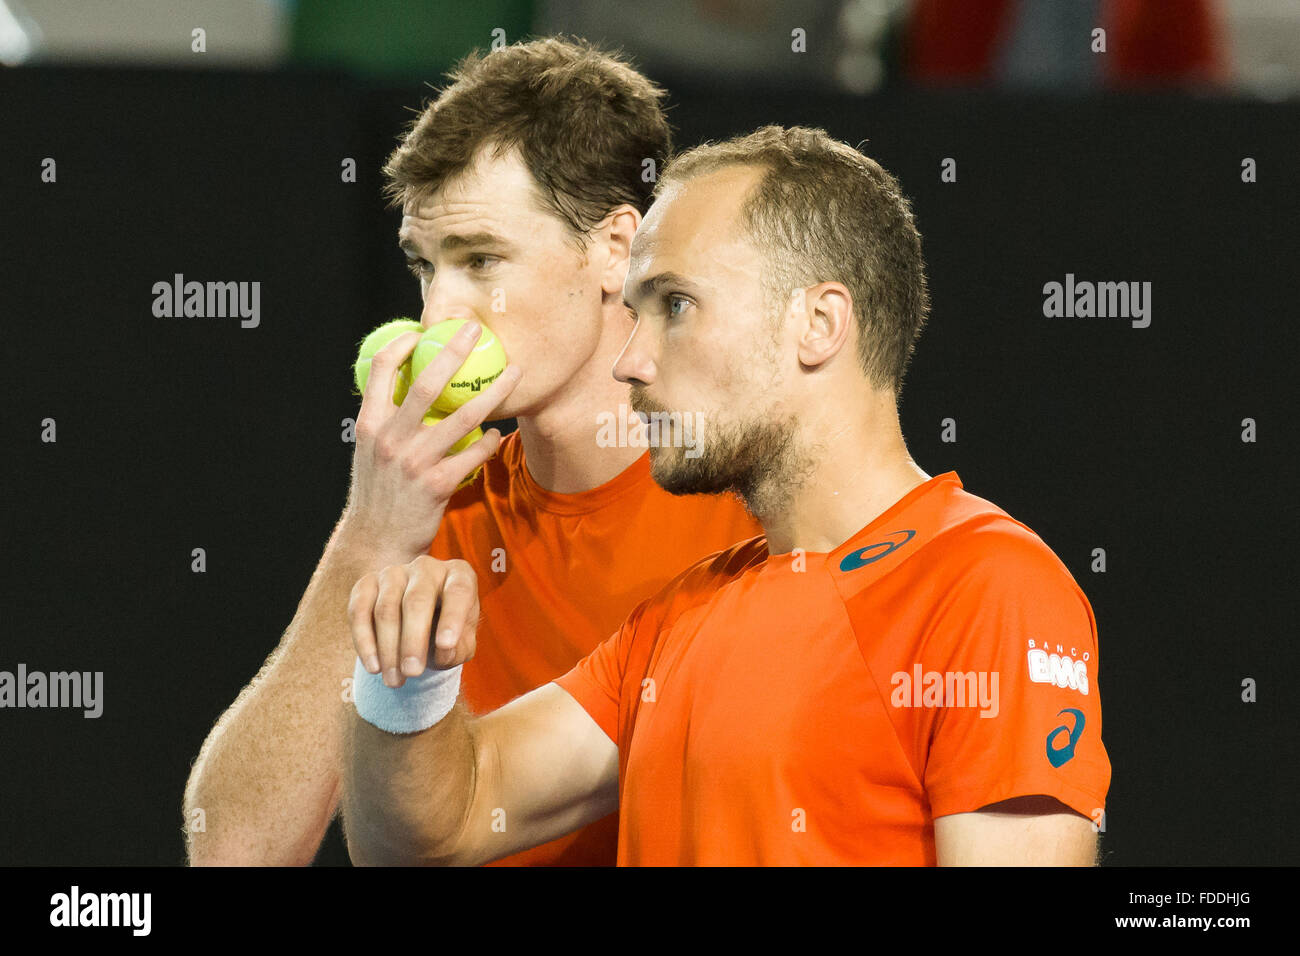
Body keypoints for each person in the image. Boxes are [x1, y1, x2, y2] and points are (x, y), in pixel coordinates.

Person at [342, 125, 1112, 866]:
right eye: (635, 311)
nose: (632, 359)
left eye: (674, 304)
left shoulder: (990, 589)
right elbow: (438, 827)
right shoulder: (679, 618)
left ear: (817, 324)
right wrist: (408, 677)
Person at [182, 38, 762, 867]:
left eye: (481, 259)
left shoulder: (760, 508)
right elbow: (234, 852)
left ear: (615, 249)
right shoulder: (430, 504)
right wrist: (371, 538)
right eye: (425, 266)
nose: (438, 314)